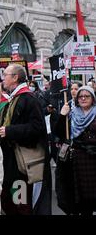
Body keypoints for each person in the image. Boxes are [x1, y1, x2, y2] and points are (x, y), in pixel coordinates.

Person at [0, 63, 51, 215]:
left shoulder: (28, 99)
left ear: (15, 78)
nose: (3, 79)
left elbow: (37, 128)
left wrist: (10, 131)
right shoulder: (12, 99)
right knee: (9, 203)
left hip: (20, 166)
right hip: (8, 162)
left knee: (19, 203)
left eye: (5, 75)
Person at [54, 86, 96, 215]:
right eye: (80, 96)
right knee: (76, 195)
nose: (83, 98)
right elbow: (59, 132)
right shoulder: (71, 113)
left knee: (90, 195)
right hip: (74, 159)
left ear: (93, 99)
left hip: (92, 160)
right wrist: (62, 115)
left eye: (86, 96)